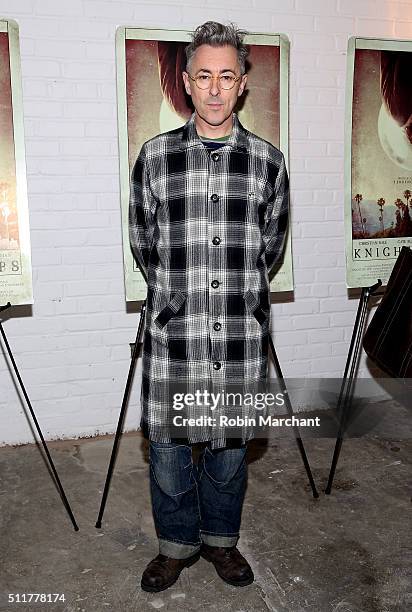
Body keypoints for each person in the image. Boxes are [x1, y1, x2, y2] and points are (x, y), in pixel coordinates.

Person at [129, 21, 289, 593]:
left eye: (228, 76)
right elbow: (144, 245)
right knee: (170, 456)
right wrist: (177, 301)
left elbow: (269, 248)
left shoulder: (269, 163)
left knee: (228, 457)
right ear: (187, 82)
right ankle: (176, 547)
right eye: (205, 76)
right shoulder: (154, 158)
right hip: (176, 339)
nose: (216, 89)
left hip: (239, 342)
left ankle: (221, 542)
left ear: (243, 82)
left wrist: (235, 297)